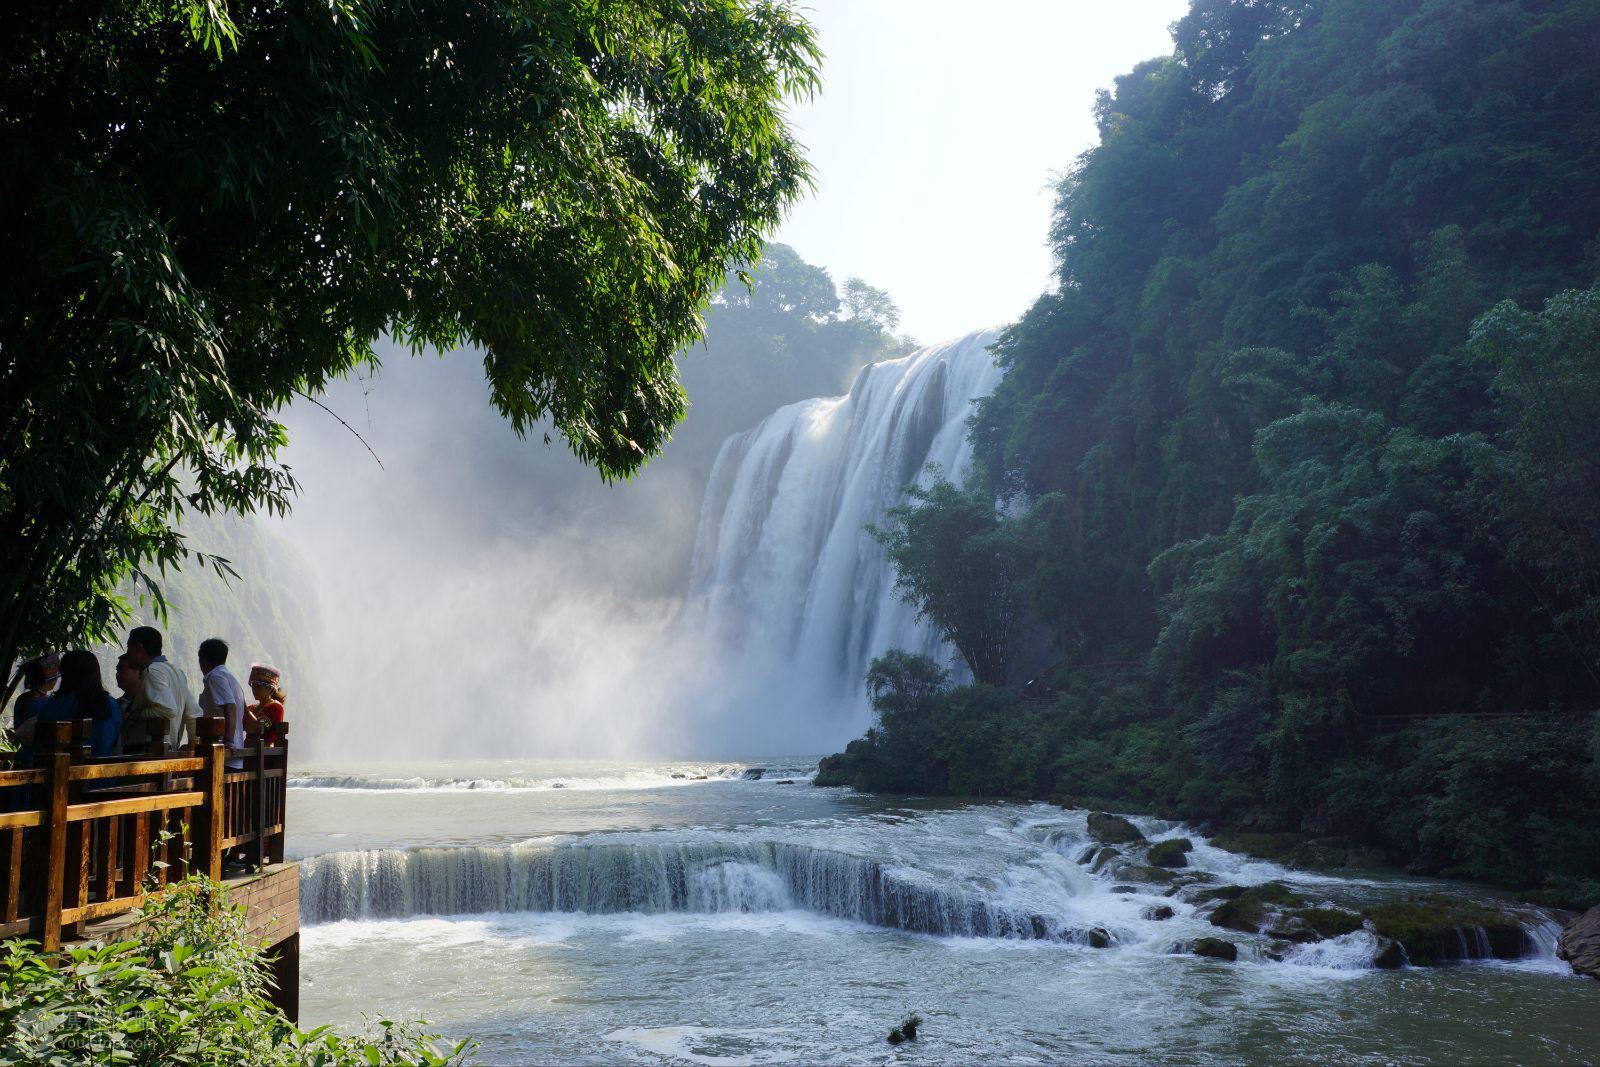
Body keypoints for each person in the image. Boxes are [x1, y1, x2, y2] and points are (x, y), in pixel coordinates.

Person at [126, 626, 201, 750]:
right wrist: (193, 747)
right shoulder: (176, 672)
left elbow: (168, 709)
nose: (127, 653)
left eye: (129, 647)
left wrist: (139, 713)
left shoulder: (152, 671)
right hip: (169, 751)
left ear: (139, 648)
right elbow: (194, 713)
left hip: (151, 751)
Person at [37, 651, 122, 757]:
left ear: (65, 674)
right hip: (103, 769)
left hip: (60, 770)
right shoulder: (111, 705)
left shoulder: (54, 705)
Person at [197, 637, 248, 770]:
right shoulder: (231, 678)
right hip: (231, 753)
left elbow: (230, 706)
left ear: (203, 660)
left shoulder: (216, 677)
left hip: (222, 753)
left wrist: (229, 741)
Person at [9, 652, 60, 744]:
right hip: (40, 753)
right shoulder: (48, 702)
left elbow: (18, 729)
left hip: (24, 750)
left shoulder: (21, 699)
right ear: (48, 680)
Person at [113, 653, 150, 752]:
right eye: (117, 670)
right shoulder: (115, 705)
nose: (117, 674)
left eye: (121, 669)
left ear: (139, 672)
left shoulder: (151, 706)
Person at [246, 663, 287, 737]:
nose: (254, 689)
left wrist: (246, 711)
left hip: (265, 747)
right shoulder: (251, 708)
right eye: (253, 685)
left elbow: (266, 726)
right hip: (248, 746)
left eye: (258, 685)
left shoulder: (276, 707)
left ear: (270, 688)